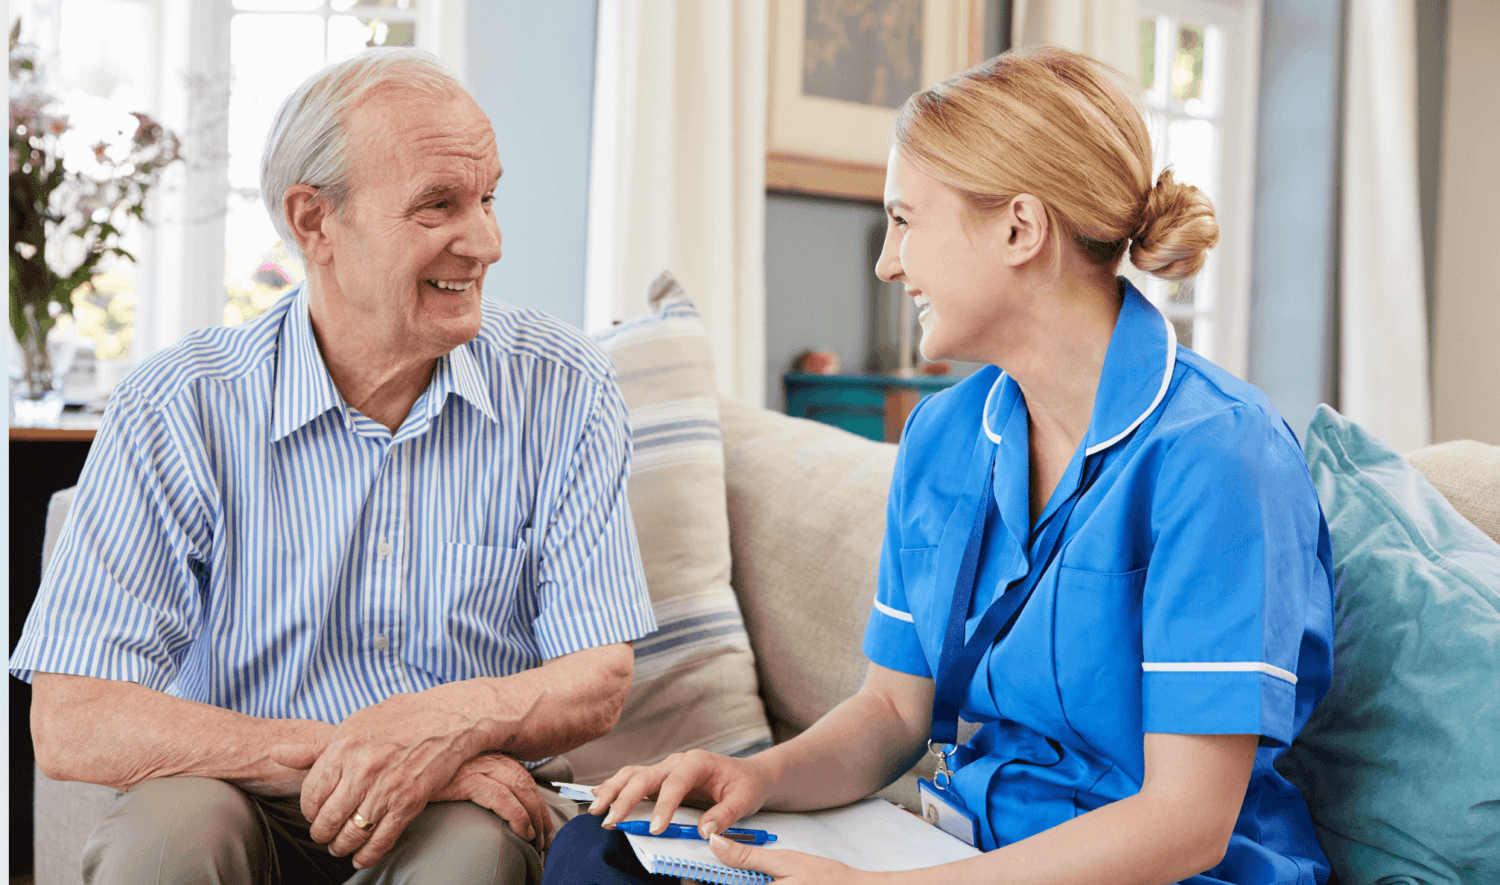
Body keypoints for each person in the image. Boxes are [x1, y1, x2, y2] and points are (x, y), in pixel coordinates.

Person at [586, 45, 1335, 885]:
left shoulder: (1220, 454)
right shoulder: (944, 434)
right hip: (963, 853)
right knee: (598, 851)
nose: (886, 261)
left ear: (1020, 227)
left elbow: (1185, 824)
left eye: (905, 220)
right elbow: (891, 711)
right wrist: (758, 776)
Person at [11, 47, 659, 885]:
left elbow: (596, 676)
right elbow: (74, 718)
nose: (487, 241)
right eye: (438, 205)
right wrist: (382, 753)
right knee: (169, 836)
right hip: (243, 785)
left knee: (468, 853)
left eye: (489, 197)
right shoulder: (179, 402)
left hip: (458, 808)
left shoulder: (564, 385)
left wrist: (447, 730)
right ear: (315, 220)